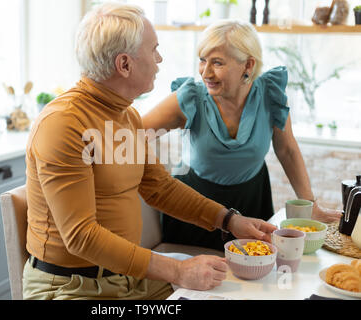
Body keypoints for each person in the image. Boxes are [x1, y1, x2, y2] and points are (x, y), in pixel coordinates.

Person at [23, 4, 276, 300]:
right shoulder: (64, 124)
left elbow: (161, 188)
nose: (159, 59)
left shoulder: (125, 115)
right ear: (125, 65)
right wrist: (177, 271)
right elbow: (81, 237)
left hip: (128, 278)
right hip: (72, 288)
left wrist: (230, 220)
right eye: (154, 49)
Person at [142, 20, 342, 252]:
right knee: (192, 282)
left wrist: (310, 206)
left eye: (217, 62)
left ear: (248, 64)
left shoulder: (270, 94)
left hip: (251, 200)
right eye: (202, 60)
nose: (206, 72)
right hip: (194, 206)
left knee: (254, 274)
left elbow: (286, 150)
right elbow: (132, 134)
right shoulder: (191, 97)